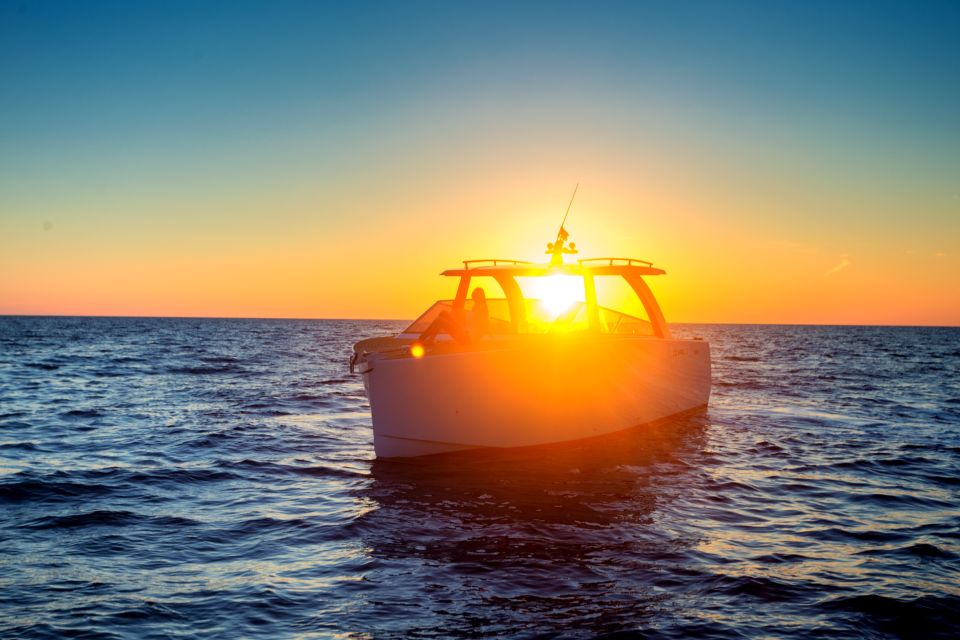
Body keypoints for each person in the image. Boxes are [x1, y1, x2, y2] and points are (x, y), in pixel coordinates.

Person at [419, 287, 488, 346]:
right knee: (443, 313)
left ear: (480, 296)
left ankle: (420, 340)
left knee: (439, 321)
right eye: (474, 295)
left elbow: (481, 326)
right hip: (464, 333)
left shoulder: (482, 308)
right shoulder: (476, 306)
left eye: (476, 296)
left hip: (468, 340)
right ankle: (431, 339)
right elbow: (469, 321)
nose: (474, 297)